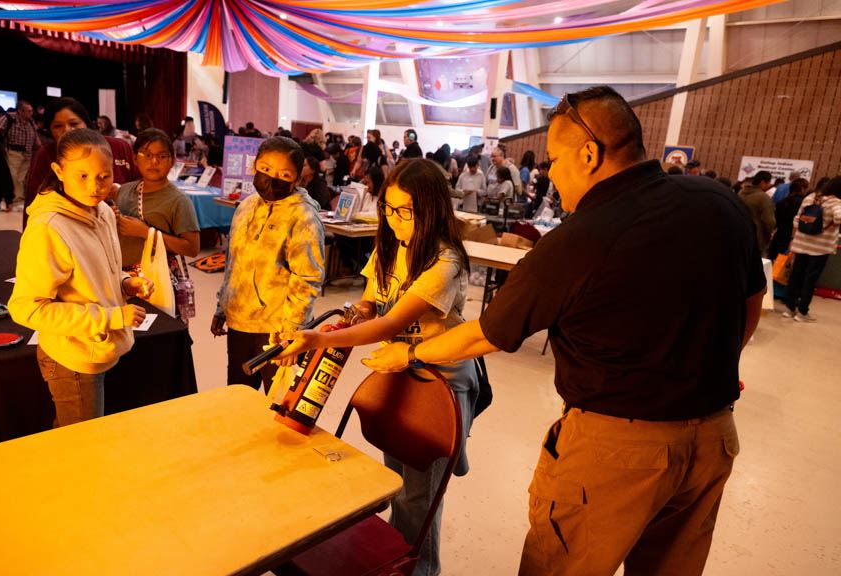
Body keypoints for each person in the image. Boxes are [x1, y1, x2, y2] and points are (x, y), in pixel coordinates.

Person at [365, 86, 766, 576]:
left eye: (555, 159)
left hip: (614, 449)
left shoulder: (580, 238)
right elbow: (750, 303)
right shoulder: (719, 203)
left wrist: (408, 356)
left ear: (589, 154)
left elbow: (483, 334)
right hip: (713, 440)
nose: (551, 173)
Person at [274, 158, 478, 576]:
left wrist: (319, 339)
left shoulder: (445, 261)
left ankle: (420, 569)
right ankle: (395, 562)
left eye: (406, 211)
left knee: (419, 496)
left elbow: (391, 323)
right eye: (389, 207)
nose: (395, 219)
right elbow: (372, 304)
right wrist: (354, 314)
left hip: (438, 384)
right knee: (397, 479)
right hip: (396, 373)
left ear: (432, 209)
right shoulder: (392, 246)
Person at [8, 128, 153, 427]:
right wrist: (110, 317)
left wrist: (125, 283)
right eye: (82, 176)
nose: (94, 187)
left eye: (103, 176)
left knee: (80, 435)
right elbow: (27, 308)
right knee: (80, 442)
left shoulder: (103, 212)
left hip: (98, 349)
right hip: (72, 359)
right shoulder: (48, 228)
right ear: (59, 171)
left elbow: (98, 271)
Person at [211, 136, 325, 392]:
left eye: (284, 175)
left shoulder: (303, 216)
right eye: (265, 169)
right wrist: (222, 307)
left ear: (297, 179)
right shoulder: (246, 206)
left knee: (278, 403)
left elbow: (307, 279)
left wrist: (292, 332)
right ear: (255, 166)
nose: (272, 179)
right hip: (240, 322)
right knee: (238, 397)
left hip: (277, 329)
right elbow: (233, 263)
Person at [24, 97, 137, 227]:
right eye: (58, 126)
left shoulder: (119, 146)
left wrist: (120, 192)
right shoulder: (45, 156)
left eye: (74, 124)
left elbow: (142, 185)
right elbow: (33, 199)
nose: (67, 130)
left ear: (86, 123)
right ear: (59, 170)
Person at [115, 128, 201, 268]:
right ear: (135, 159)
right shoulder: (123, 190)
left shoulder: (179, 201)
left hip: (155, 275)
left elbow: (192, 249)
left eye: (162, 156)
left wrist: (146, 232)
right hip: (121, 273)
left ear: (172, 161)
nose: (154, 161)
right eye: (147, 155)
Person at [782, 176, 841, 322]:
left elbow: (797, 219)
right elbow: (839, 218)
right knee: (810, 279)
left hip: (801, 244)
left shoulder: (810, 197)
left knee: (796, 275)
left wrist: (794, 238)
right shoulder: (836, 202)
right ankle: (802, 312)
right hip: (819, 248)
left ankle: (789, 308)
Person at [6, 100, 40, 209]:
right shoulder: (9, 118)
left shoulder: (31, 121)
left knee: (21, 178)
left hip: (28, 153)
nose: (31, 113)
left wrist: (40, 147)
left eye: (32, 111)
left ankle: (18, 198)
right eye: (28, 111)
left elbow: (36, 136)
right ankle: (13, 197)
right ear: (20, 111)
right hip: (14, 152)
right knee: (13, 175)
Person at [768, 177, 810, 261]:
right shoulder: (803, 204)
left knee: (774, 263)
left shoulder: (781, 202)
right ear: (802, 189)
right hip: (793, 239)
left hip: (779, 236)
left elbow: (775, 220)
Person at [738, 170, 776, 255]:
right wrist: (770, 232)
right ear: (762, 182)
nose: (770, 185)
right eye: (768, 183)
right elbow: (769, 221)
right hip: (757, 237)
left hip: (739, 233)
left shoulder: (741, 193)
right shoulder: (764, 198)